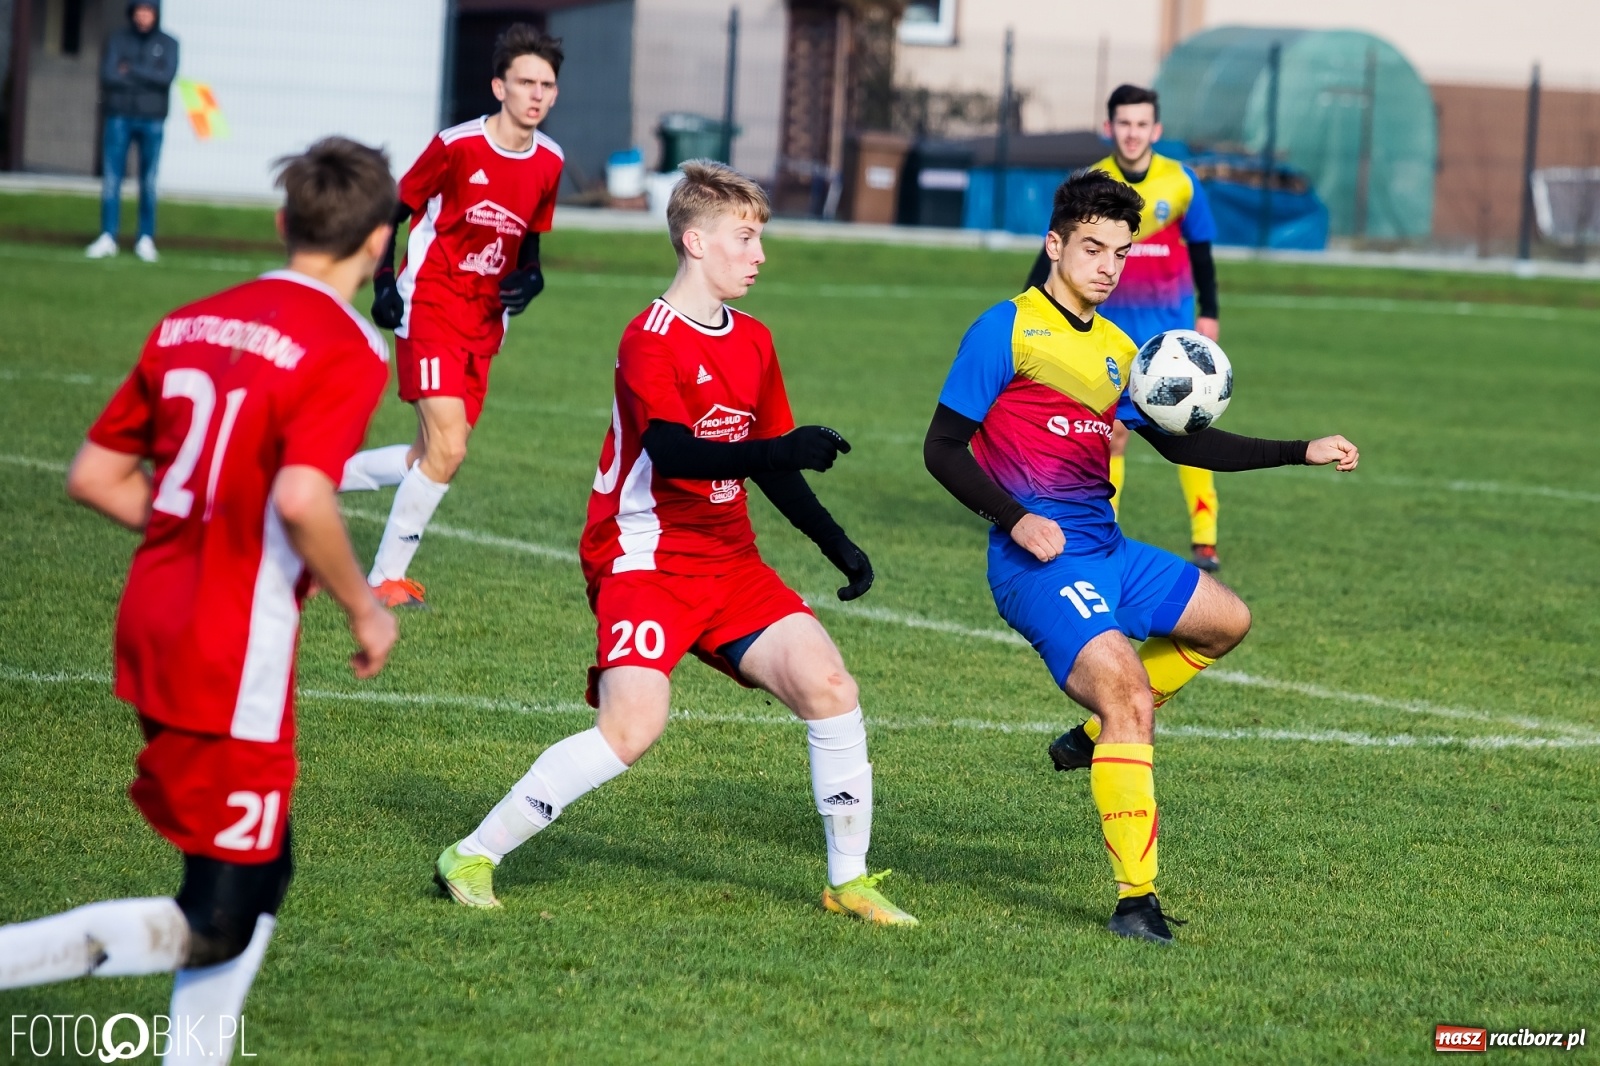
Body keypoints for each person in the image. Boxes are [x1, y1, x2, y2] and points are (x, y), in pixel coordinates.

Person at [433, 161, 916, 926]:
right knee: (632, 728)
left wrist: (839, 545)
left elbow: (771, 464)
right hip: (645, 555)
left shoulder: (754, 340)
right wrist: (779, 451)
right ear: (695, 241)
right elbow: (676, 451)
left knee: (831, 688)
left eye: (760, 240)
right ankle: (472, 853)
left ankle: (847, 881)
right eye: (745, 238)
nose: (758, 256)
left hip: (731, 561)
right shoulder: (647, 338)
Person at [0, 138, 401, 1060]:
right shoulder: (345, 342)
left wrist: (200, 527)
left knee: (257, 875)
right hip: (233, 645)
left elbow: (96, 477)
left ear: (281, 223)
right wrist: (365, 607)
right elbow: (303, 498)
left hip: (153, 615)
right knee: (220, 912)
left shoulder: (191, 319)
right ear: (380, 242)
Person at [927, 171, 1358, 944]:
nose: (1106, 266)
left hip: (1110, 550)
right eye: (1091, 248)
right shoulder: (1008, 329)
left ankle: (1092, 739)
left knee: (1227, 622)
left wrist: (1302, 449)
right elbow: (942, 448)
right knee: (1129, 695)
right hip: (1041, 563)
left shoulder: (1124, 352)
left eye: (1120, 253)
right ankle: (1136, 900)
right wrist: (1016, 519)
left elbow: (1189, 442)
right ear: (1054, 245)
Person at [338, 23, 564, 609]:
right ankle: (384, 579)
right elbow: (393, 210)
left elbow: (531, 240)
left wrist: (531, 279)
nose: (536, 94)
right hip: (430, 305)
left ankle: (293, 479)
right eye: (525, 82)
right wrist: (384, 282)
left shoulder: (551, 160)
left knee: (427, 457)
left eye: (547, 84)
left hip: (487, 322)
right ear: (499, 87)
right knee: (450, 451)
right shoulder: (457, 147)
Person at [1026, 85, 1225, 571]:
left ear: (1155, 130)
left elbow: (1201, 252)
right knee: (1108, 435)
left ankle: (1205, 536)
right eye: (1124, 124)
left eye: (1141, 124)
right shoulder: (1092, 184)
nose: (1132, 133)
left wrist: (1210, 311)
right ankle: (1101, 530)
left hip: (1171, 340)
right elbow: (1056, 252)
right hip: (1108, 334)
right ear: (1109, 127)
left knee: (1188, 428)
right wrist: (1030, 307)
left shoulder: (1181, 182)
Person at [86, 1, 178, 263]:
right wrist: (148, 75)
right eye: (139, 10)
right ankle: (107, 236)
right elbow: (110, 76)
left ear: (156, 14)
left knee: (148, 181)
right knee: (112, 179)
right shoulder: (117, 39)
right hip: (119, 116)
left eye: (148, 11)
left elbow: (165, 77)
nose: (143, 16)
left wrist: (132, 70)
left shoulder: (169, 43)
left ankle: (145, 238)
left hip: (152, 119)